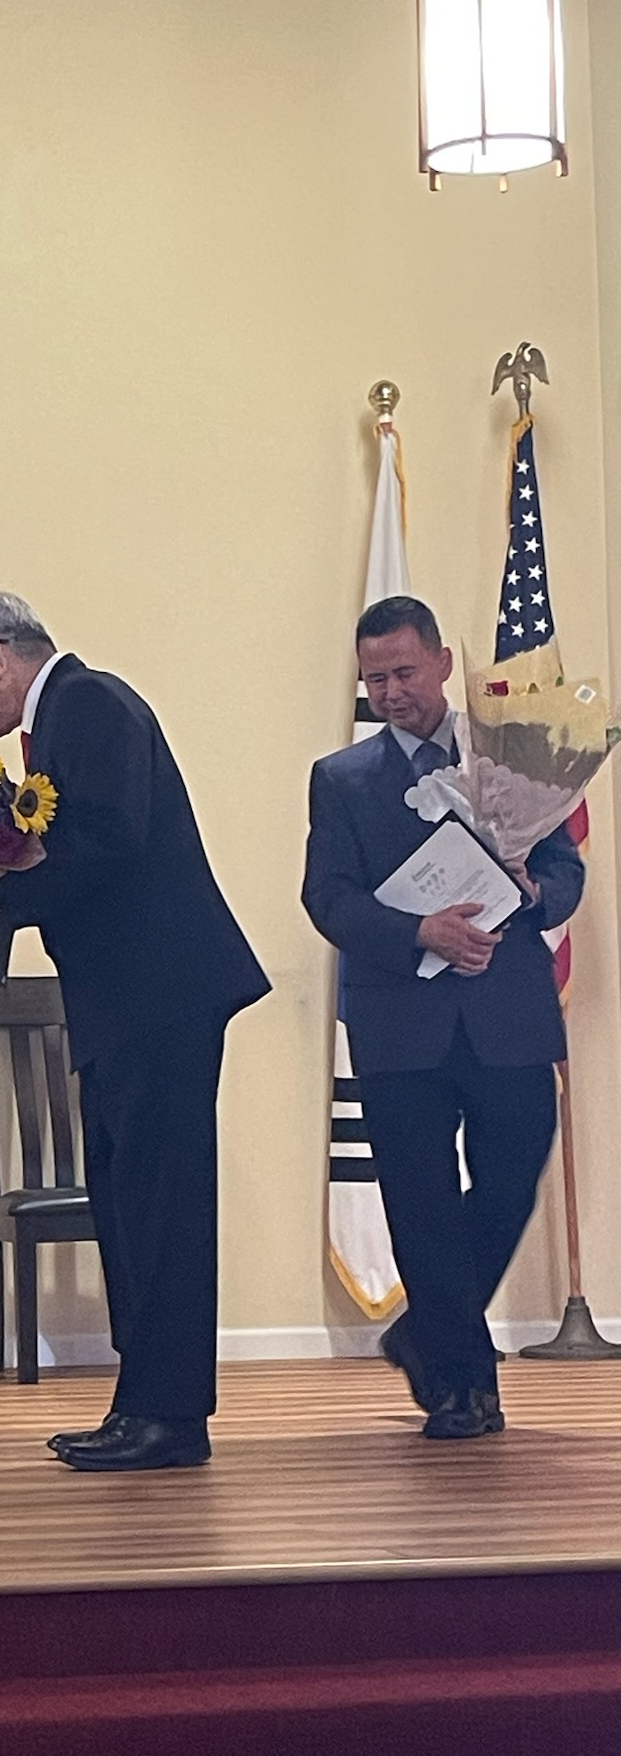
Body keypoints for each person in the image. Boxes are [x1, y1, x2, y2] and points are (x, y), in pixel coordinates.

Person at [0, 591, 270, 1472]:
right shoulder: (67, 715)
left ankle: (171, 1416)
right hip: (129, 1000)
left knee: (161, 1208)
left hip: (159, 994)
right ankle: (142, 1405)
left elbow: (109, 843)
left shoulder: (90, 703)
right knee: (129, 1206)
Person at [303, 595, 583, 1439]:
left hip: (509, 1012)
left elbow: (565, 870)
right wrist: (418, 931)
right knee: (419, 1203)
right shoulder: (341, 779)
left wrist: (534, 889)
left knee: (514, 1173)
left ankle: (426, 1331)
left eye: (404, 673)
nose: (391, 692)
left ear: (443, 664)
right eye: (375, 679)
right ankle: (463, 1384)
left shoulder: (510, 756)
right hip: (399, 1022)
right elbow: (328, 898)